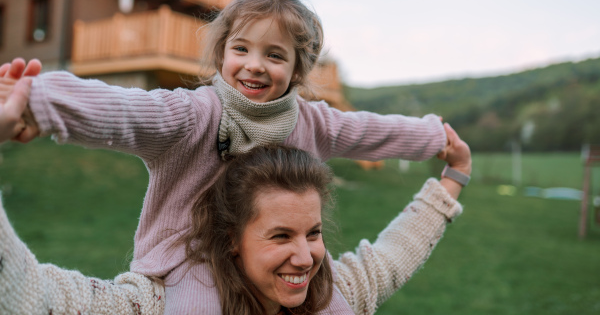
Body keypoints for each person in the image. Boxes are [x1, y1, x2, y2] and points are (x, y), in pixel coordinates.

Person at [0, 0, 450, 313]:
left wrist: (435, 138)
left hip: (282, 270)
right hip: (190, 261)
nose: (254, 66)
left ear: (296, 70)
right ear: (222, 55)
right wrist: (36, 101)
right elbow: (124, 111)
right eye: (241, 49)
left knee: (332, 303)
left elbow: (372, 132)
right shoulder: (193, 115)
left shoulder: (315, 123)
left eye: (274, 55)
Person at [0, 128, 471, 314]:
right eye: (280, 236)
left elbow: (394, 253)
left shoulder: (337, 291)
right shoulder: (161, 304)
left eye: (313, 233)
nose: (305, 257)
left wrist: (454, 177)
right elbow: (33, 293)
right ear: (232, 240)